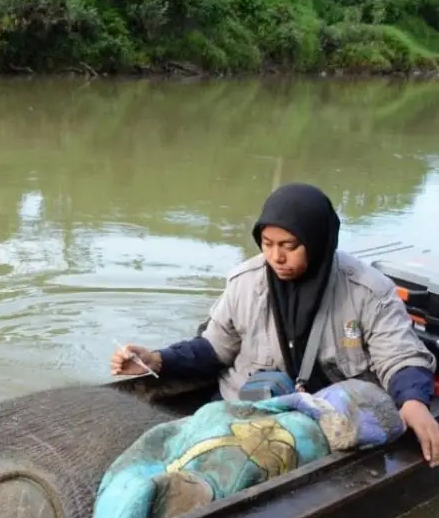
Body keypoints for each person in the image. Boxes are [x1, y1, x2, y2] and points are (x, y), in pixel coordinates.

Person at [110, 182, 439, 464]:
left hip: (330, 425)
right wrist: (157, 360)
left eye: (289, 247)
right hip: (243, 416)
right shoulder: (244, 282)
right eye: (267, 244)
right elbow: (214, 348)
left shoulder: (367, 290)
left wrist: (412, 402)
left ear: (318, 241)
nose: (276, 258)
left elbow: (400, 358)